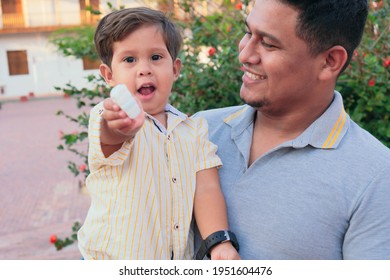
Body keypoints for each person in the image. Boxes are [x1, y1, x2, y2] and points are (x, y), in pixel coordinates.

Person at [196, 0, 390, 259]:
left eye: (268, 43)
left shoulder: (376, 178)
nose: (244, 54)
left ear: (330, 61)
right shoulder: (198, 131)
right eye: (248, 32)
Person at [77, 7, 240, 260]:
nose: (144, 69)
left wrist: (219, 242)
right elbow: (109, 139)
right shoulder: (108, 115)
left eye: (155, 57)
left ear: (175, 69)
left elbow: (207, 190)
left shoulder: (193, 130)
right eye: (129, 60)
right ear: (109, 75)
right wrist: (119, 128)